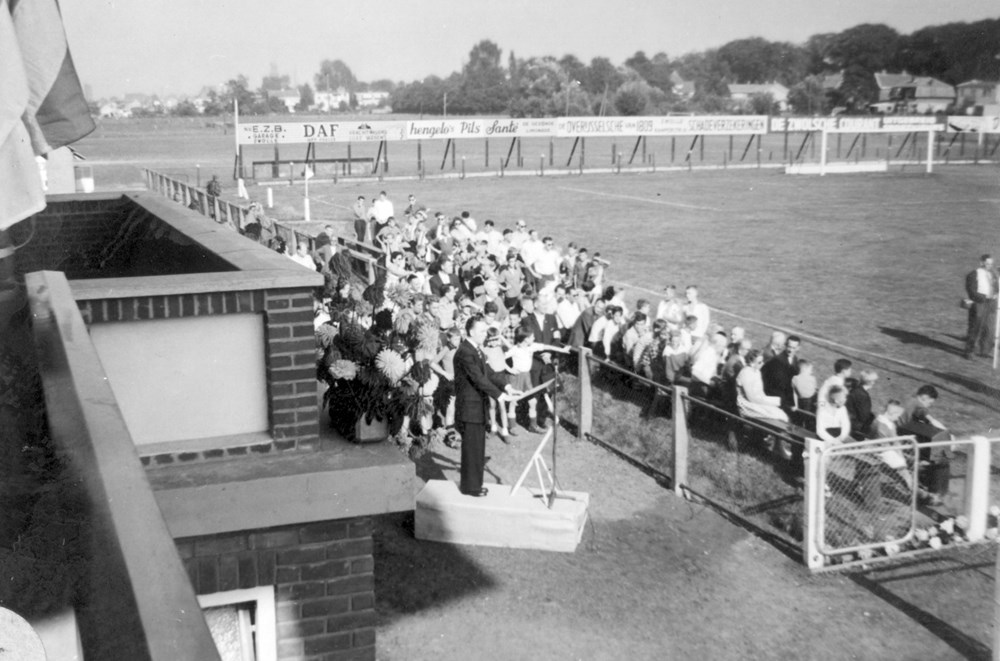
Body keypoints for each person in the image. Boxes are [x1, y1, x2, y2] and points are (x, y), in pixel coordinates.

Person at [454, 317, 515, 497]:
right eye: (481, 331)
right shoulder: (465, 352)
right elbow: (478, 379)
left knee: (478, 448)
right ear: (471, 332)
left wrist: (506, 386)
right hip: (469, 409)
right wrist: (499, 395)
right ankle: (470, 487)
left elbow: (488, 373)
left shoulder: (476, 350)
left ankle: (474, 485)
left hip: (477, 408)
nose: (484, 334)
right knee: (472, 449)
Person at [736, 350, 787, 422]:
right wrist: (771, 402)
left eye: (762, 361)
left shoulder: (757, 372)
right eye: (759, 362)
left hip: (757, 402)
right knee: (779, 415)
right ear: (751, 362)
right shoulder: (746, 373)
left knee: (780, 413)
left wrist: (771, 404)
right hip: (746, 404)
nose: (762, 364)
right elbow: (751, 398)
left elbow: (761, 393)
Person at [964, 254, 998, 359]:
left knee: (990, 328)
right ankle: (970, 351)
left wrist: (996, 293)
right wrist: (983, 297)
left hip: (991, 303)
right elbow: (971, 291)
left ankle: (985, 350)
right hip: (979, 303)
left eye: (991, 264)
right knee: (975, 327)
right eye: (987, 263)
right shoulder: (974, 274)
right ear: (981, 262)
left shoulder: (992, 274)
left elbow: (996, 287)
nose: (990, 266)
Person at [761, 335, 801, 414]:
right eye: (789, 347)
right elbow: (781, 385)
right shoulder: (777, 361)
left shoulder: (795, 359)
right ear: (785, 346)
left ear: (798, 348)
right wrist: (792, 403)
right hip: (777, 397)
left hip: (786, 395)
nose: (790, 350)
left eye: (794, 348)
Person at [846, 369, 878, 440]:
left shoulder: (855, 388)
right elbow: (864, 416)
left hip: (850, 418)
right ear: (871, 382)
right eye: (874, 381)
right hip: (855, 425)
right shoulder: (863, 396)